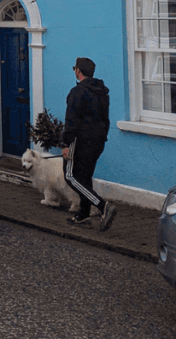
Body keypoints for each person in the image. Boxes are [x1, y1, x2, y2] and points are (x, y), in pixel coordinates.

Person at [62, 57, 116, 231]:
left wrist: (65, 143)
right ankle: (82, 215)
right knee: (85, 177)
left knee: (71, 176)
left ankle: (102, 206)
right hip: (98, 141)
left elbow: (71, 121)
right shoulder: (102, 92)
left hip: (80, 140)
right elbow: (105, 119)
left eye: (74, 69)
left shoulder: (77, 93)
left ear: (78, 71)